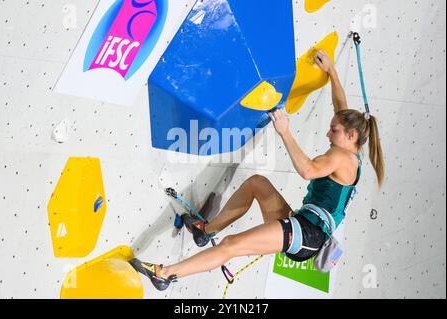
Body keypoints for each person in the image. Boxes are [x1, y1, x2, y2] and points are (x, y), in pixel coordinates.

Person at [129, 50, 385, 291]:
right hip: (304, 224)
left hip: (307, 235)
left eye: (334, 131)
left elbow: (307, 170)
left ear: (351, 135)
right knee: (257, 183)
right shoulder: (352, 151)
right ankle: (204, 231)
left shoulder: (341, 156)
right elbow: (341, 108)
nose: (329, 134)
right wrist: (333, 73)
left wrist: (285, 131)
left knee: (232, 245)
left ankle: (165, 274)